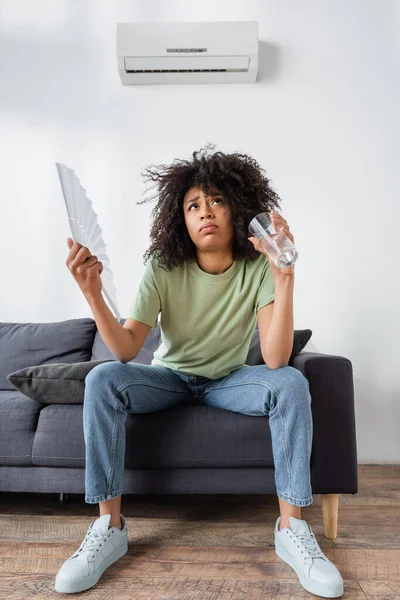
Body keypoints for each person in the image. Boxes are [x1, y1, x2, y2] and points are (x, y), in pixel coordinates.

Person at [55, 145, 344, 597]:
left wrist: (284, 276)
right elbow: (127, 349)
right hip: (168, 378)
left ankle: (292, 530)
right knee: (101, 377)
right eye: (193, 205)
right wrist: (92, 293)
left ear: (237, 210)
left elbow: (273, 359)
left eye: (216, 201)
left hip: (229, 380)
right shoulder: (163, 267)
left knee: (290, 381)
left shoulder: (257, 267)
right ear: (181, 221)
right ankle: (109, 528)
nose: (205, 212)